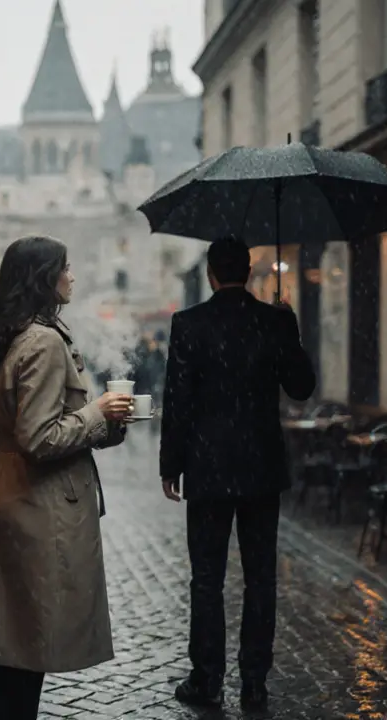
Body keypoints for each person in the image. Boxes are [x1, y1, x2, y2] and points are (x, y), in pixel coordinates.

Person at [0, 235, 134, 719]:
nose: (72, 276)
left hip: (10, 492)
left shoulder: (5, 335)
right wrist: (97, 412)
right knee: (28, 641)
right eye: (65, 268)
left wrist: (105, 421)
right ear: (43, 279)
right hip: (40, 502)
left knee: (16, 640)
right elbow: (41, 437)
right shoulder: (43, 342)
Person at [159, 237, 316, 711]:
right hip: (260, 470)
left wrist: (171, 465)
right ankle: (254, 683)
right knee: (260, 579)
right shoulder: (273, 321)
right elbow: (303, 387)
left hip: (207, 469)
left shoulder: (190, 324)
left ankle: (207, 680)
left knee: (206, 579)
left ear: (210, 274)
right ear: (248, 273)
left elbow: (178, 401)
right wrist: (289, 327)